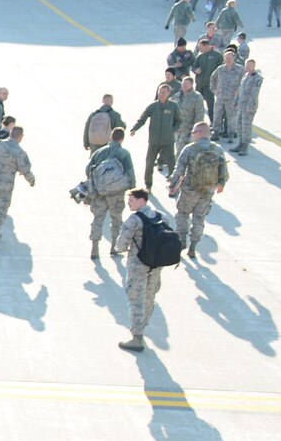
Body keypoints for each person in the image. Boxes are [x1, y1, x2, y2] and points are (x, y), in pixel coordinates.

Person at [115, 189, 168, 352]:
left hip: (138, 266)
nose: (129, 203)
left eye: (131, 200)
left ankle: (137, 338)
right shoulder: (161, 217)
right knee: (150, 297)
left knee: (136, 299)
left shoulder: (134, 220)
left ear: (141, 201)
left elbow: (121, 245)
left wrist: (121, 248)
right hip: (156, 265)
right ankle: (142, 326)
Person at [169, 121, 229, 260]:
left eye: (194, 132)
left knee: (182, 213)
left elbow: (179, 169)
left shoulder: (190, 148)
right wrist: (221, 185)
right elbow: (224, 172)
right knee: (199, 218)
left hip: (190, 189)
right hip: (207, 191)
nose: (192, 134)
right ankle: (193, 246)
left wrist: (173, 184)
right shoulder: (218, 149)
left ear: (200, 133)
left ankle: (182, 239)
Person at [83, 128, 136, 259]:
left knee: (98, 219)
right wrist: (132, 188)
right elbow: (130, 172)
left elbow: (88, 169)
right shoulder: (124, 154)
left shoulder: (99, 152)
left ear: (111, 137)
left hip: (100, 192)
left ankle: (94, 249)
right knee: (116, 219)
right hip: (117, 194)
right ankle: (114, 247)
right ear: (122, 138)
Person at [0, 123, 35, 251]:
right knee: (0, 212)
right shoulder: (19, 151)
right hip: (5, 187)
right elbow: (26, 170)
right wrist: (32, 181)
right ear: (20, 137)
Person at [131, 83, 182, 188]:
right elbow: (142, 119)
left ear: (168, 93)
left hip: (168, 141)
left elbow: (179, 121)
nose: (161, 94)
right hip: (154, 141)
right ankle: (148, 185)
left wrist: (172, 130)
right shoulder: (153, 106)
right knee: (149, 163)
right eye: (160, 92)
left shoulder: (173, 106)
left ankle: (174, 184)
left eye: (163, 92)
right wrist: (134, 128)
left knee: (171, 163)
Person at [232, 60, 264, 156]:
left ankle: (245, 146)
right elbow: (240, 90)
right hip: (241, 104)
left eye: (250, 66)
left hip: (249, 106)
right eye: (247, 66)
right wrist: (235, 101)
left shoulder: (257, 78)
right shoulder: (245, 76)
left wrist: (249, 106)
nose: (248, 67)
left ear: (254, 66)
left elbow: (254, 94)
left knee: (246, 126)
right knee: (239, 124)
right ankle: (240, 143)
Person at [209, 50, 241, 142]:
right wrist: (214, 90)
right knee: (217, 115)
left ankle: (231, 134)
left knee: (231, 117)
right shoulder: (220, 69)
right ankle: (215, 132)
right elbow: (212, 79)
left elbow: (244, 82)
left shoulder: (240, 69)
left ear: (234, 58)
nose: (228, 60)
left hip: (232, 98)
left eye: (229, 58)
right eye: (226, 58)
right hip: (220, 97)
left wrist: (238, 91)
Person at [174, 74, 208, 142]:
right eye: (183, 84)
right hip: (177, 130)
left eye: (186, 84)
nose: (183, 86)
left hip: (188, 130)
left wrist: (195, 131)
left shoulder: (197, 97)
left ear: (191, 85)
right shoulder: (177, 96)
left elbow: (199, 116)